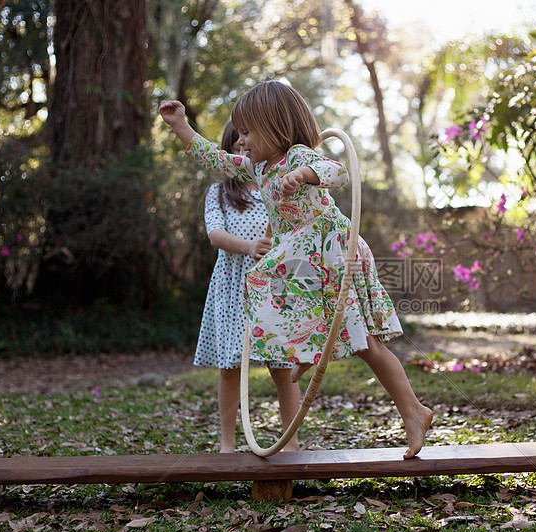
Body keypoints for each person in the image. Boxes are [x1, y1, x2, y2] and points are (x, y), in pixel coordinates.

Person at [160, 81, 432, 459]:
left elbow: (335, 170)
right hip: (298, 260)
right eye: (239, 132)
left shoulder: (296, 157)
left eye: (248, 131)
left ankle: (413, 410)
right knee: (267, 294)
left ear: (275, 127)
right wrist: (180, 126)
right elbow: (215, 159)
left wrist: (304, 175)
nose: (241, 140)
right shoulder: (258, 169)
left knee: (366, 341)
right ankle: (307, 350)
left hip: (329, 251)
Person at [194, 121, 300, 453]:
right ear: (228, 150)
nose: (244, 145)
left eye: (249, 139)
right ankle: (227, 444)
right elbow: (215, 235)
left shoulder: (276, 186)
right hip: (233, 286)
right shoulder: (219, 192)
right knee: (230, 367)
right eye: (236, 141)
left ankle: (292, 443)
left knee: (282, 367)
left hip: (274, 287)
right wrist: (250, 247)